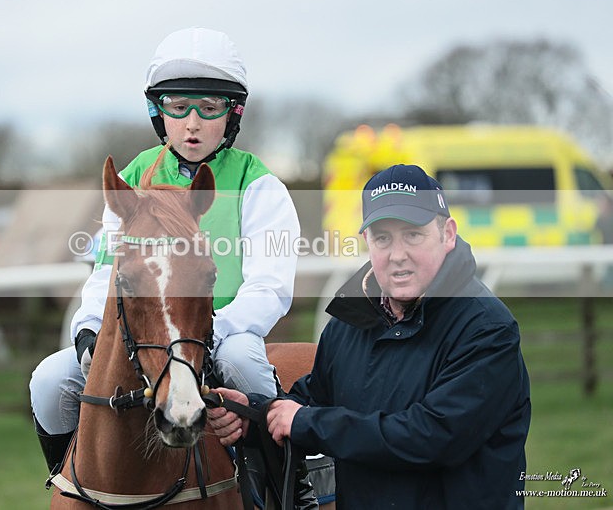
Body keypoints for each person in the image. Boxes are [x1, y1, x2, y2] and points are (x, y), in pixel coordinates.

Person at [29, 26, 302, 483]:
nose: (192, 122)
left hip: (222, 336)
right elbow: (105, 272)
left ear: (231, 115)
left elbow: (270, 287)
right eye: (179, 107)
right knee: (49, 382)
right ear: (159, 112)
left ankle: (290, 485)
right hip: (141, 336)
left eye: (209, 108)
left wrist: (214, 332)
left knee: (244, 366)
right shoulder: (132, 179)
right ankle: (72, 485)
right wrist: (89, 328)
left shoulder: (260, 185)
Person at [210, 164, 532, 509]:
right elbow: (314, 401)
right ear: (367, 242)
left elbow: (433, 436)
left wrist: (305, 422)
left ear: (448, 234)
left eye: (413, 235)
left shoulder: (487, 329)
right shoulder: (350, 323)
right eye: (383, 238)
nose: (397, 255)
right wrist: (256, 415)